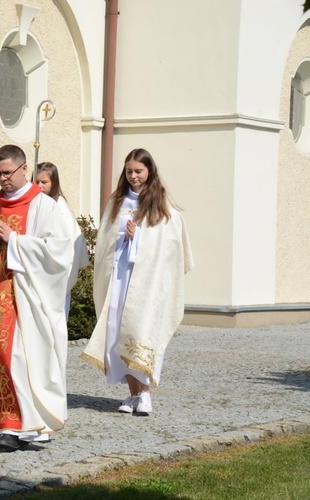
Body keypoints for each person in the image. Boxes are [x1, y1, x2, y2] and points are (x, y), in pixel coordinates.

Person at [0, 145, 73, 452]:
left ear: (24, 169)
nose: (2, 179)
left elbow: (60, 254)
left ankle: (28, 427)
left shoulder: (44, 207)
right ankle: (9, 425)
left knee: (22, 360)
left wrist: (16, 242)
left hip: (28, 300)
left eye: (7, 172)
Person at [81, 148, 194, 415]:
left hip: (146, 284)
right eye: (130, 171)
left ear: (149, 171)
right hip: (119, 279)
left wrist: (139, 236)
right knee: (118, 331)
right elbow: (106, 240)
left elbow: (169, 242)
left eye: (139, 171)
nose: (134, 176)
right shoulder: (117, 201)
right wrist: (125, 236)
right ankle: (133, 395)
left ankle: (145, 395)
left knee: (141, 330)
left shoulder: (161, 202)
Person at [35, 162, 90, 317]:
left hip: (55, 275)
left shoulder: (60, 209)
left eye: (44, 182)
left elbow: (70, 244)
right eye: (36, 181)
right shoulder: (39, 203)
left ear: (54, 183)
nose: (39, 186)